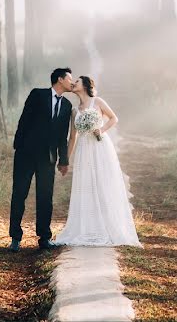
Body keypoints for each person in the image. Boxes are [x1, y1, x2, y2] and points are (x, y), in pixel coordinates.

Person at [55, 75, 141, 247]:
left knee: (103, 182)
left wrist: (100, 130)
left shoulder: (97, 102)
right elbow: (72, 137)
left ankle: (108, 225)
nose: (73, 83)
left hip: (100, 148)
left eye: (77, 82)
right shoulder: (75, 110)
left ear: (85, 85)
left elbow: (114, 118)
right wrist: (66, 161)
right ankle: (87, 227)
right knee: (85, 186)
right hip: (83, 151)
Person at [9, 67, 74, 252]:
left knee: (45, 198)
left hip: (48, 159)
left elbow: (63, 136)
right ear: (60, 79)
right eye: (70, 79)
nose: (73, 82)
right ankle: (15, 237)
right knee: (19, 193)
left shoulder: (68, 106)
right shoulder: (38, 95)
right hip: (26, 154)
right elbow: (24, 120)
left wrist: (63, 161)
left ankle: (44, 238)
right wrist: (18, 146)